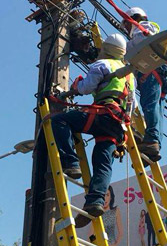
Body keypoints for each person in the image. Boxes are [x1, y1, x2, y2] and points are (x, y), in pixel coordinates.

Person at [51, 33, 135, 228]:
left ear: (105, 48)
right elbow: (133, 105)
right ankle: (95, 202)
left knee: (60, 121)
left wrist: (75, 86)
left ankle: (71, 162)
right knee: (103, 163)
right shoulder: (129, 75)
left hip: (102, 115)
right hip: (117, 124)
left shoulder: (102, 65)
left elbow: (87, 88)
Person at [122, 7, 167, 161]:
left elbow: (138, 44)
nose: (126, 28)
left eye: (126, 24)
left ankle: (151, 140)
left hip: (152, 68)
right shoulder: (151, 31)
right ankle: (154, 146)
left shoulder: (142, 29)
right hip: (163, 72)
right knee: (158, 109)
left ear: (133, 18)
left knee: (149, 104)